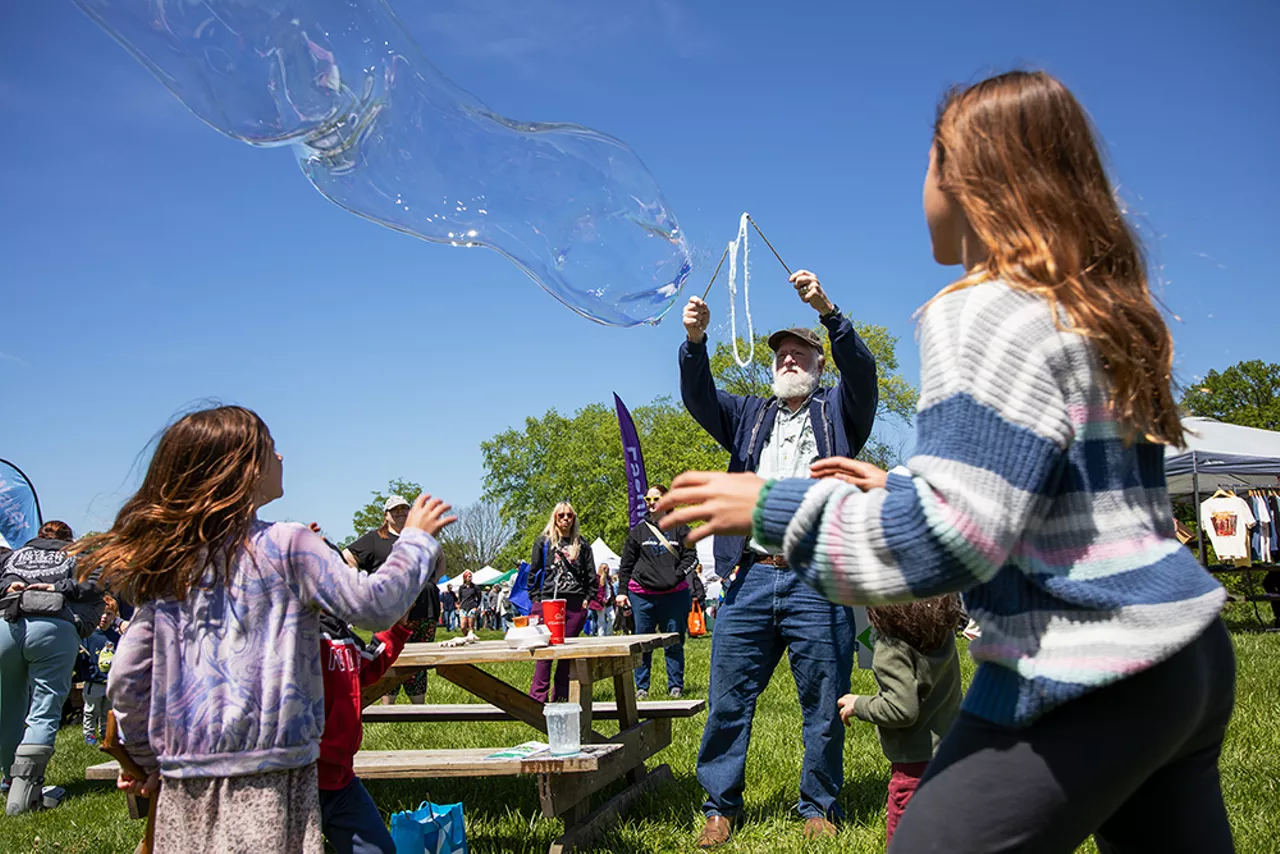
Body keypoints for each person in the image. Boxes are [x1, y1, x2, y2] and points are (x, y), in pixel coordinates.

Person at [658, 71, 1235, 854]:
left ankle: (815, 801)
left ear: (969, 177)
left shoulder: (977, 308)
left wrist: (764, 506)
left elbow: (951, 542)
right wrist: (898, 484)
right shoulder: (1094, 304)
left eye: (928, 161)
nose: (919, 185)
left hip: (1083, 664)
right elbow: (1045, 499)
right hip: (1188, 656)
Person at [72, 405, 454, 852]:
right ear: (243, 469)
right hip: (273, 779)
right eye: (271, 449)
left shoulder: (171, 560)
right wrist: (416, 540)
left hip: (184, 784)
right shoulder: (289, 545)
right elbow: (374, 606)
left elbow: (127, 677)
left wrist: (145, 762)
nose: (281, 457)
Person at [677, 254, 879, 845]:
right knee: (728, 697)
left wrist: (828, 313)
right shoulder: (749, 417)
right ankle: (720, 804)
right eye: (780, 354)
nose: (788, 359)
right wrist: (695, 341)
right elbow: (699, 398)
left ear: (819, 363)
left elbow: (863, 374)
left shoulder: (838, 412)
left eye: (800, 352)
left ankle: (818, 805)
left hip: (818, 579)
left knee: (822, 700)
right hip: (751, 576)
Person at [837, 595, 962, 846]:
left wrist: (858, 704)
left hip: (913, 765)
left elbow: (901, 708)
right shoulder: (942, 634)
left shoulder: (891, 646)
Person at [0, 520, 105, 814]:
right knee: (44, 708)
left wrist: (9, 585)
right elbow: (96, 582)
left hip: (6, 626)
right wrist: (58, 586)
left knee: (7, 708)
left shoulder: (15, 555)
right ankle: (25, 792)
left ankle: (9, 779)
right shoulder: (75, 556)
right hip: (53, 629)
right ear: (68, 539)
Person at [318, 609, 413, 854]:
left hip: (340, 780)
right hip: (295, 779)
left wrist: (396, 627)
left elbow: (368, 663)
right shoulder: (294, 632)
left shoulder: (338, 632)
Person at [344, 497, 440, 705]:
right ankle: (387, 707)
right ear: (386, 515)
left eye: (405, 509)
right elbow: (347, 557)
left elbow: (440, 558)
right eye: (394, 510)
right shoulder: (375, 539)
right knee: (387, 656)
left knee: (420, 659)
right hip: (389, 610)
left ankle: (419, 708)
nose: (400, 513)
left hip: (424, 608)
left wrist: (432, 581)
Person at [617, 485, 697, 700]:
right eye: (648, 499)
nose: (651, 502)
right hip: (642, 595)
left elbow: (691, 557)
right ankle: (641, 688)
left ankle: (675, 686)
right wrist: (622, 591)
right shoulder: (638, 531)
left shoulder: (681, 528)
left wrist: (677, 575)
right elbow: (626, 564)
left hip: (674, 595)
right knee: (643, 643)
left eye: (656, 498)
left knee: (674, 641)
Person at [526, 502, 595, 702]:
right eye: (561, 515)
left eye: (569, 516)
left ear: (574, 519)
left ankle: (562, 697)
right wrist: (536, 600)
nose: (565, 519)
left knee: (567, 654)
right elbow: (534, 572)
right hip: (548, 601)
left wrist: (587, 599)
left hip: (574, 602)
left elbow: (591, 574)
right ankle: (537, 698)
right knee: (545, 652)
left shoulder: (582, 544)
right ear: (554, 518)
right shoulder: (544, 543)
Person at [79, 595, 124, 746]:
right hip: (94, 682)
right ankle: (89, 735)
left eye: (109, 614)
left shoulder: (116, 637)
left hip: (110, 682)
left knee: (107, 711)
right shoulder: (89, 635)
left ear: (115, 617)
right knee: (91, 711)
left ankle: (106, 735)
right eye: (101, 613)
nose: (104, 617)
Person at [591, 565, 614, 637]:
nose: (608, 570)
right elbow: (596, 591)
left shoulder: (608, 579)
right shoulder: (597, 578)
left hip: (608, 602)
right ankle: (601, 635)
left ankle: (608, 633)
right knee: (601, 620)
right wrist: (602, 599)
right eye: (607, 568)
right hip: (599, 603)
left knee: (613, 617)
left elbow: (610, 590)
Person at [456, 570, 481, 636]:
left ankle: (471, 637)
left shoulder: (475, 587)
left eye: (471, 577)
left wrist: (476, 607)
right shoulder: (461, 588)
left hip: (472, 607)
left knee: (470, 625)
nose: (470, 578)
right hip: (463, 607)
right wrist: (459, 606)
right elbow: (460, 598)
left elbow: (479, 598)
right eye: (468, 577)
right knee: (463, 626)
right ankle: (467, 636)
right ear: (465, 578)